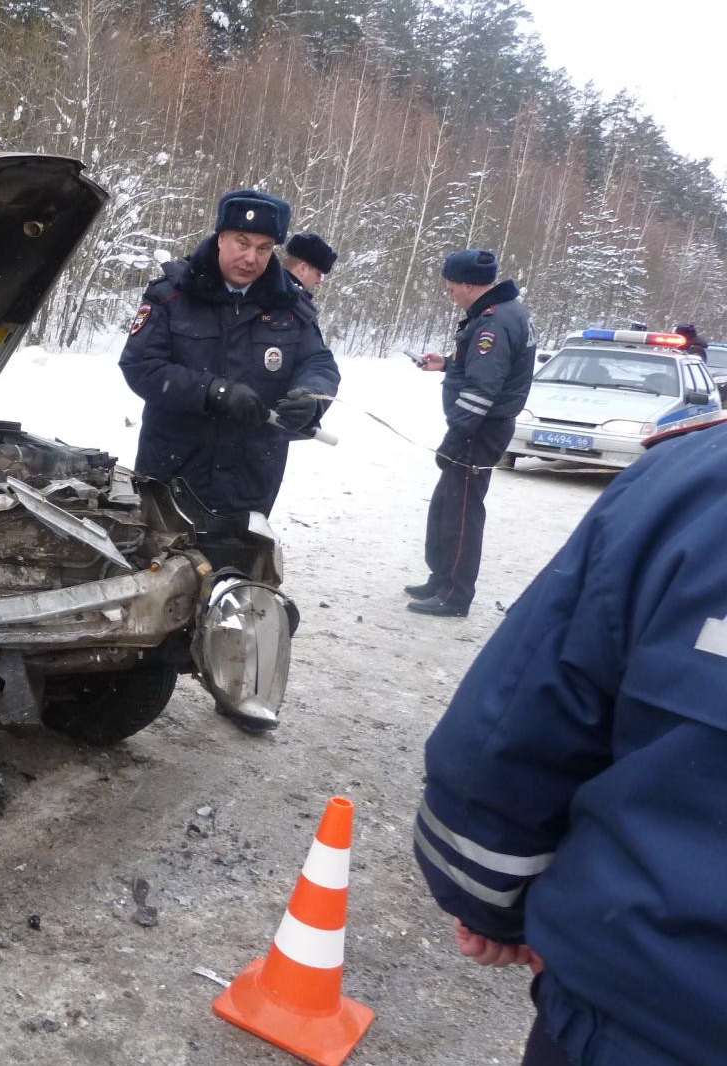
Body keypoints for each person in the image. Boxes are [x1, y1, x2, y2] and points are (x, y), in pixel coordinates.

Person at [413, 417, 727, 1066]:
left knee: (461, 510)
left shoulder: (692, 485)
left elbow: (516, 726)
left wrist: (492, 905)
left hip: (633, 1023)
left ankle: (450, 589)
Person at [118, 189, 339, 520]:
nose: (251, 258)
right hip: (173, 471)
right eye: (242, 242)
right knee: (164, 565)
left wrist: (311, 397)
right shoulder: (172, 295)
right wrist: (211, 390)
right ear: (221, 238)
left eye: (264, 248)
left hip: (249, 475)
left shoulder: (289, 305)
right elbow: (141, 367)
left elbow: (317, 362)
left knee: (239, 568)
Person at [406, 249, 533, 616]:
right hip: (476, 427)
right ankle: (441, 577)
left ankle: (455, 594)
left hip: (480, 429)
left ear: (467, 285)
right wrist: (446, 363)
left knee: (461, 511)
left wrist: (457, 436)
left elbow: (483, 388)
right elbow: (487, 367)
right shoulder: (503, 312)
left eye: (451, 289)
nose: (451, 297)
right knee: (446, 505)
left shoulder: (494, 321)